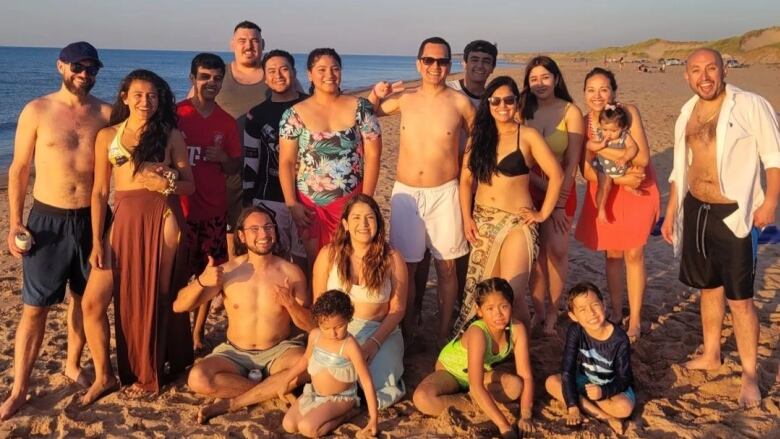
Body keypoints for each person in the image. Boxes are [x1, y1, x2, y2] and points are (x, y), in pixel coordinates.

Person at [660, 48, 780, 408]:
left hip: (734, 213)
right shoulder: (687, 112)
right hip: (696, 209)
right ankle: (712, 353)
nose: (704, 76)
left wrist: (770, 201)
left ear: (724, 69)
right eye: (696, 70)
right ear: (687, 77)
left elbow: (774, 155)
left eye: (711, 68)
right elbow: (681, 168)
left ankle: (749, 376)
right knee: (707, 288)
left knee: (740, 301)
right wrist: (670, 213)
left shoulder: (749, 104)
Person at [1, 42, 111, 420]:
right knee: (35, 309)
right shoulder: (37, 110)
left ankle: (72, 364)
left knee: (85, 301)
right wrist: (15, 222)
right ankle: (19, 389)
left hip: (92, 220)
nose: (86, 74)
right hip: (47, 221)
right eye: (79, 66)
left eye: (92, 68)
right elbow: (18, 169)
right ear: (61, 66)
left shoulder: (107, 113)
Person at [82, 69, 196, 401]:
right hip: (124, 218)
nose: (145, 101)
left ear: (159, 100)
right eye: (138, 94)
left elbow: (189, 185)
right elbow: (100, 192)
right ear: (125, 97)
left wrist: (169, 181)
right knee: (93, 301)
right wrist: (95, 240)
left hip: (162, 215)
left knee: (157, 296)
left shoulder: (170, 135)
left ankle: (151, 373)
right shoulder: (107, 136)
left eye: (152, 95)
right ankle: (105, 375)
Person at [369, 37, 476, 346]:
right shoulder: (406, 99)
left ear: (449, 65)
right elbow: (370, 113)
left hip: (445, 192)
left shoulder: (460, 102)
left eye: (442, 61)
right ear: (418, 63)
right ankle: (408, 328)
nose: (435, 66)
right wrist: (377, 93)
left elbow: (479, 135)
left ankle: (444, 332)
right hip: (406, 194)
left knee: (446, 267)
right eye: (428, 60)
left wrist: (466, 165)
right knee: (407, 266)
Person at [175, 206, 313, 423]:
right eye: (255, 229)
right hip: (234, 352)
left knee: (308, 366)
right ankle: (269, 391)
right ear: (241, 235)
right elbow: (179, 306)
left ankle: (238, 399)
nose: (263, 234)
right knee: (197, 378)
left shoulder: (291, 273)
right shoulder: (229, 272)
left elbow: (310, 325)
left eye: (268, 227)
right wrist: (201, 282)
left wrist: (290, 305)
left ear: (275, 232)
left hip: (278, 351)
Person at [452, 76, 563, 334]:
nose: (503, 106)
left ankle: (520, 344)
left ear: (517, 102)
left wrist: (543, 212)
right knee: (488, 293)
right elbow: (466, 182)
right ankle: (498, 344)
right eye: (496, 101)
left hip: (517, 223)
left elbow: (556, 174)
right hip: (483, 222)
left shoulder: (528, 136)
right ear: (488, 104)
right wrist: (467, 219)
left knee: (510, 291)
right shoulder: (478, 139)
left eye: (509, 100)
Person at [574, 67, 660, 343]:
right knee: (612, 255)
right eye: (591, 90)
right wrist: (622, 178)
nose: (597, 95)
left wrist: (598, 149)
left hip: (639, 190)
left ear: (613, 91)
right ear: (584, 93)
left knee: (634, 254)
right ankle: (614, 310)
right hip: (610, 190)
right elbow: (585, 171)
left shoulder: (628, 112)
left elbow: (643, 158)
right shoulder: (585, 121)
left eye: (603, 89)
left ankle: (634, 319)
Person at [279, 48, 382, 264]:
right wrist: (292, 203)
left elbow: (373, 156)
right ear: (309, 74)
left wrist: (366, 200)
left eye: (335, 69)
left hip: (351, 201)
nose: (330, 75)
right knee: (317, 265)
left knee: (353, 263)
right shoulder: (293, 114)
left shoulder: (361, 108)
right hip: (311, 206)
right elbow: (287, 162)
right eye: (322, 69)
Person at [312, 194, 408, 409]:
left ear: (378, 222)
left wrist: (373, 344)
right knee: (331, 379)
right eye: (356, 218)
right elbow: (318, 305)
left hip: (381, 331)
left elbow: (398, 309)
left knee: (375, 387)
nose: (363, 224)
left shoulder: (392, 257)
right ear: (345, 223)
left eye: (370, 218)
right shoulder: (328, 254)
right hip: (337, 331)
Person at [177, 53, 242, 352]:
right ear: (192, 79)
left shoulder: (226, 123)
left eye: (217, 78)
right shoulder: (177, 115)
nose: (211, 83)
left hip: (214, 212)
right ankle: (174, 332)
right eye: (205, 76)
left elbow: (235, 168)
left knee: (211, 275)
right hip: (179, 213)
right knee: (176, 277)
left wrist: (224, 159)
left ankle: (196, 334)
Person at [413, 278, 534, 439]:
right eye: (490, 308)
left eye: (503, 306)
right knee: (422, 399)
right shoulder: (478, 332)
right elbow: (475, 386)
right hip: (451, 371)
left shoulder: (517, 329)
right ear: (479, 311)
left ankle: (477, 401)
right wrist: (504, 426)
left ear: (512, 305)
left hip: (482, 374)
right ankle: (476, 402)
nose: (498, 314)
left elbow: (526, 375)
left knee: (515, 386)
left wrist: (526, 415)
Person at [520, 56, 585, 336]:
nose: (540, 84)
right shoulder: (522, 109)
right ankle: (538, 311)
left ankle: (553, 314)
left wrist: (559, 201)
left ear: (556, 79)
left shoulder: (571, 111)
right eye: (534, 79)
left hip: (561, 188)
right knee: (535, 255)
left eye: (545, 77)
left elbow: (571, 162)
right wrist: (534, 182)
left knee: (556, 251)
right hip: (528, 187)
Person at [276, 290, 379, 438]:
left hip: (341, 398)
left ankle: (346, 414)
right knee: (289, 425)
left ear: (349, 319)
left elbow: (366, 381)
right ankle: (316, 411)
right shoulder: (315, 336)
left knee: (308, 428)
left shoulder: (349, 346)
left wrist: (374, 419)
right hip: (314, 393)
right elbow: (304, 360)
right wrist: (285, 381)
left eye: (339, 326)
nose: (333, 333)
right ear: (318, 322)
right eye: (326, 328)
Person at [243, 49, 309, 271]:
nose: (278, 75)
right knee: (274, 262)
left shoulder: (312, 106)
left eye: (284, 69)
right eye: (271, 70)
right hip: (268, 197)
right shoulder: (256, 115)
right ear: (264, 76)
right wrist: (248, 199)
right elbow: (251, 160)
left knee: (305, 260)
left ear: (294, 72)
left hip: (307, 197)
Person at [545, 282, 635, 435]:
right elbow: (567, 370)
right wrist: (572, 406)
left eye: (595, 305)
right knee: (551, 382)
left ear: (604, 304)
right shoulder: (575, 331)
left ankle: (585, 404)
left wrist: (603, 391)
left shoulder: (620, 338)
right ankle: (605, 417)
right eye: (582, 310)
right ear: (573, 316)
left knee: (624, 408)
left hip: (610, 385)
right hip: (584, 380)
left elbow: (624, 378)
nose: (591, 313)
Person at [215, 21, 269, 259]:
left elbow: (305, 105)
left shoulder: (275, 75)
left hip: (266, 169)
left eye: (255, 40)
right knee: (227, 228)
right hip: (224, 168)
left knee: (260, 227)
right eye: (243, 41)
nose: (249, 46)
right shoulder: (219, 75)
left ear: (263, 45)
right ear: (232, 45)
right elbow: (190, 109)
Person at [587, 105, 640, 223]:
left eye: (613, 131)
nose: (608, 134)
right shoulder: (600, 135)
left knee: (639, 172)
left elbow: (633, 148)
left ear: (623, 128)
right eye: (605, 129)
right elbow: (589, 145)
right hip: (604, 167)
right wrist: (600, 145)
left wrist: (625, 157)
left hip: (621, 165)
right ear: (601, 126)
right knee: (604, 187)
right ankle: (601, 210)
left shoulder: (624, 136)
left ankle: (630, 186)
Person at [446, 40, 498, 107]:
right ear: (464, 64)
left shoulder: (492, 102)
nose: (480, 66)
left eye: (486, 61)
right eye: (474, 60)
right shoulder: (447, 90)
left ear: (492, 68)